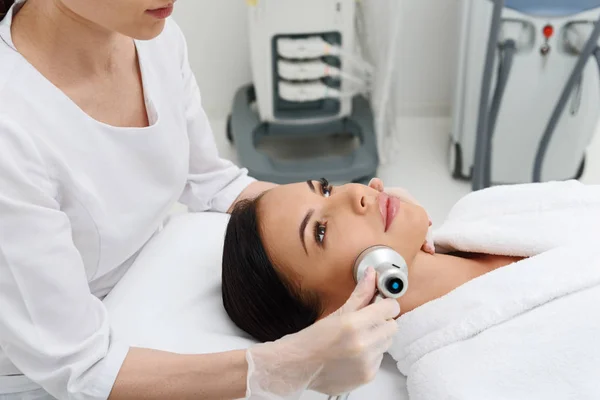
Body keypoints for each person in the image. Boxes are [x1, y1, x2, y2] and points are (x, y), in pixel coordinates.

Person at [0, 1, 409, 399]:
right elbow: (81, 369)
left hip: (152, 288)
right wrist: (281, 368)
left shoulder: (154, 38)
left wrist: (368, 215)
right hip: (52, 373)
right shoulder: (11, 130)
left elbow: (212, 183)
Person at [222, 177, 525, 342]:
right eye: (321, 232)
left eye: (326, 190)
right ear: (333, 316)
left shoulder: (488, 208)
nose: (357, 194)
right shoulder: (462, 380)